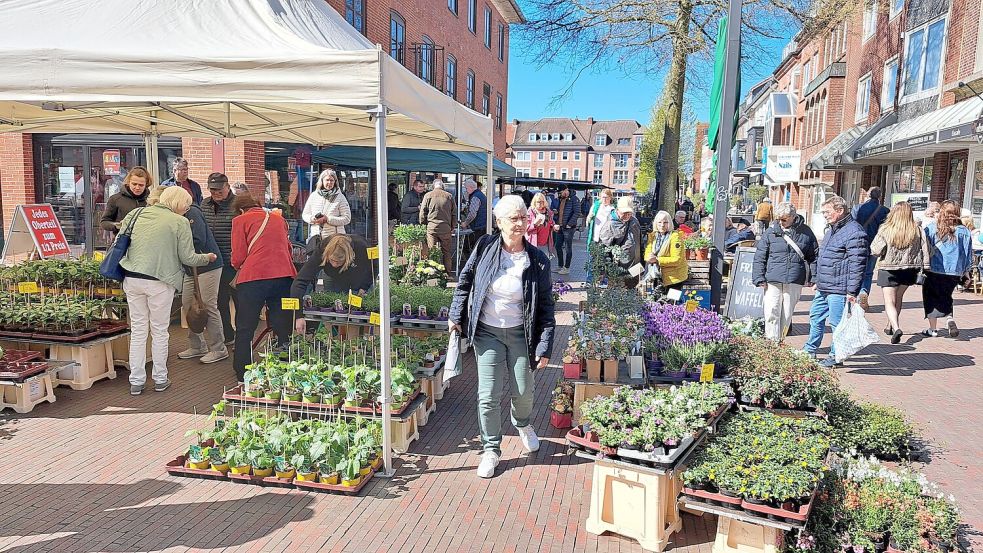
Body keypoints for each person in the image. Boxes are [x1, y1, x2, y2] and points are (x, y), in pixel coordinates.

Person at [448, 195, 555, 479]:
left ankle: (522, 423)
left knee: (524, 391)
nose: (520, 223)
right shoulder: (484, 248)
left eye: (523, 217)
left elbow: (546, 304)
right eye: (513, 218)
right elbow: (465, 281)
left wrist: (544, 345)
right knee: (488, 395)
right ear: (498, 222)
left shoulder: (537, 260)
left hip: (522, 333)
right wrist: (456, 315)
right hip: (487, 333)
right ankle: (491, 449)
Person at [118, 187, 216, 395]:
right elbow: (188, 258)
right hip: (160, 282)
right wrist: (207, 257)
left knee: (138, 331)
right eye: (186, 205)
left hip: (132, 278)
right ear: (178, 204)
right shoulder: (179, 222)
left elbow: (119, 243)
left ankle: (136, 381)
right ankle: (160, 379)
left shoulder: (135, 214)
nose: (187, 209)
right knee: (160, 331)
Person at [230, 194, 297, 381]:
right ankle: (283, 367)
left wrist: (239, 265)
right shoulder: (279, 219)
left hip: (253, 278)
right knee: (282, 325)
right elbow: (288, 247)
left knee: (245, 326)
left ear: (241, 209)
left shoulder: (240, 220)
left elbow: (238, 257)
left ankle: (242, 371)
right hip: (284, 275)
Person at [803, 196, 868, 367]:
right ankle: (810, 350)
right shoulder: (832, 229)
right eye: (823, 212)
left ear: (840, 211)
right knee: (815, 317)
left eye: (827, 211)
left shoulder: (855, 232)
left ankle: (835, 354)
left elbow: (858, 264)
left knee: (836, 324)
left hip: (840, 289)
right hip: (825, 286)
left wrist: (852, 292)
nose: (824, 215)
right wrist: (817, 280)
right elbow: (824, 257)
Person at [752, 203, 818, 341]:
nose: (780, 222)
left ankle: (780, 341)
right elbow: (760, 256)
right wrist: (759, 277)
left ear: (793, 217)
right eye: (778, 219)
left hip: (794, 279)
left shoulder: (806, 232)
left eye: (784, 219)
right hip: (772, 278)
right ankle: (771, 342)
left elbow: (814, 256)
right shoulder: (770, 232)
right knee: (771, 311)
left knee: (787, 314)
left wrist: (814, 277)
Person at [177, 195, 228, 364]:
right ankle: (197, 345)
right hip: (190, 267)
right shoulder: (178, 216)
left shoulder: (192, 213)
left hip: (208, 264)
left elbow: (199, 238)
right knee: (187, 304)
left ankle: (219, 348)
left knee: (208, 305)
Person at [292, 234, 374, 335]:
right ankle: (332, 340)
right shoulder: (322, 249)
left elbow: (375, 267)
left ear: (348, 256)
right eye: (332, 260)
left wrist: (364, 287)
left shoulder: (362, 247)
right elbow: (300, 281)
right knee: (331, 312)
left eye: (339, 261)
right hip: (333, 277)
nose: (335, 264)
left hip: (359, 277)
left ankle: (354, 343)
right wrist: (298, 316)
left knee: (356, 315)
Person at [870, 202, 925, 344]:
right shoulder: (917, 230)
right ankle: (890, 326)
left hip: (889, 268)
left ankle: (896, 327)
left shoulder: (886, 229)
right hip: (909, 269)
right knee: (898, 298)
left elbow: (876, 250)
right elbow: (925, 249)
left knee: (889, 301)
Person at [921, 201, 973, 338]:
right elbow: (968, 254)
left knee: (930, 298)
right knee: (946, 295)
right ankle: (949, 318)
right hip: (955, 271)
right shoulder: (964, 231)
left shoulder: (932, 228)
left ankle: (933, 329)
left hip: (934, 269)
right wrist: (967, 272)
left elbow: (925, 248)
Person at [201, 173, 238, 346]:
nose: (215, 193)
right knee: (220, 300)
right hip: (214, 261)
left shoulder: (238, 204)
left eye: (219, 189)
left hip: (235, 261)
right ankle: (228, 335)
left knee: (240, 300)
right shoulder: (204, 204)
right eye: (212, 189)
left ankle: (244, 335)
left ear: (227, 186)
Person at [851, 187, 890, 309]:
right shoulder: (884, 210)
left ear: (868, 195)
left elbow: (851, 225)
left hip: (858, 243)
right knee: (868, 272)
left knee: (855, 270)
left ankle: (853, 294)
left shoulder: (857, 208)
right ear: (880, 196)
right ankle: (864, 292)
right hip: (875, 245)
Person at [302, 169, 352, 243]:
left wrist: (328, 219)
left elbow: (347, 218)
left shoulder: (340, 197)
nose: (329, 182)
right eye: (327, 180)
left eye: (332, 180)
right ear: (322, 181)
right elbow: (305, 214)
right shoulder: (314, 196)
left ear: (335, 182)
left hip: (335, 240)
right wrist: (313, 219)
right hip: (316, 238)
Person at [644, 210, 688, 291]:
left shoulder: (675, 237)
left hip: (675, 278)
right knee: (657, 302)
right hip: (658, 275)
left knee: (673, 302)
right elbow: (648, 251)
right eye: (659, 222)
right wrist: (648, 257)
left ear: (670, 223)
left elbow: (676, 259)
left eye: (665, 222)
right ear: (655, 223)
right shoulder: (653, 236)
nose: (662, 225)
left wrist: (657, 260)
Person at [419, 180, 456, 272]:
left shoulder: (428, 195)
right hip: (445, 228)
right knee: (446, 252)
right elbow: (454, 213)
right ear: (442, 186)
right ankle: (448, 274)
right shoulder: (449, 196)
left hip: (432, 228)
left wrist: (423, 224)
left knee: (432, 251)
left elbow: (422, 212)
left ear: (433, 186)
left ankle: (434, 274)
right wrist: (452, 227)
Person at [100, 167, 150, 233]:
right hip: (124, 240)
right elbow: (104, 222)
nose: (137, 188)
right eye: (134, 184)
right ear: (128, 182)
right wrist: (116, 225)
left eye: (141, 185)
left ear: (146, 185)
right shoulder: (115, 199)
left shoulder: (150, 200)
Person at [610, 197, 642, 288]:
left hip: (635, 264)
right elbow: (604, 248)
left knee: (633, 291)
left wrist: (642, 262)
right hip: (620, 267)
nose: (627, 215)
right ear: (617, 210)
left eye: (629, 213)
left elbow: (640, 243)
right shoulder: (610, 224)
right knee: (621, 293)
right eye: (624, 213)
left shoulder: (634, 221)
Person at [553, 185, 581, 275]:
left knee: (568, 248)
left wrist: (570, 224)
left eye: (561, 192)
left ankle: (567, 267)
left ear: (566, 190)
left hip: (569, 228)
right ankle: (560, 266)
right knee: (557, 246)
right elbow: (560, 211)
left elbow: (577, 212)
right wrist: (556, 214)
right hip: (560, 226)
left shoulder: (574, 199)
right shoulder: (561, 199)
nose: (560, 194)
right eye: (559, 193)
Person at [461, 179, 488, 258]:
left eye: (466, 188)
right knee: (479, 247)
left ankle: (470, 264)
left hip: (478, 227)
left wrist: (465, 223)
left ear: (470, 187)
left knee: (467, 246)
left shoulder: (475, 197)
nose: (466, 190)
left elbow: (472, 213)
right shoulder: (481, 195)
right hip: (483, 225)